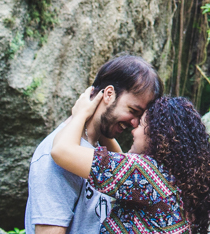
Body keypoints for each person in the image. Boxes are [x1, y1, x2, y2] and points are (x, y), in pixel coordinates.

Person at [25, 55, 163, 234]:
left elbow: (121, 163)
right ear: (109, 94)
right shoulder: (56, 155)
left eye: (141, 117)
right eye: (133, 110)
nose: (135, 123)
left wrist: (86, 117)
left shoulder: (95, 150)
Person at [50, 88, 210, 234]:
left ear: (157, 135)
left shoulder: (146, 174)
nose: (133, 130)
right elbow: (119, 166)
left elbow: (61, 151)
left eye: (140, 125)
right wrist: (104, 121)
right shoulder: (171, 181)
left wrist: (81, 113)